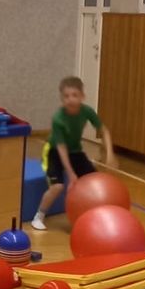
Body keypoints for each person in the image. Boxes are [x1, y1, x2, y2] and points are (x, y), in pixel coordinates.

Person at [32, 75, 114, 231]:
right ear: (62, 99)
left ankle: (94, 215)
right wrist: (71, 174)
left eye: (75, 95)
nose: (70, 99)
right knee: (57, 187)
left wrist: (109, 154)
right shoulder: (58, 118)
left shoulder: (87, 111)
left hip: (75, 151)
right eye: (66, 96)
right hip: (55, 151)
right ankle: (39, 216)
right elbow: (62, 148)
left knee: (94, 181)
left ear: (82, 96)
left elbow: (104, 130)